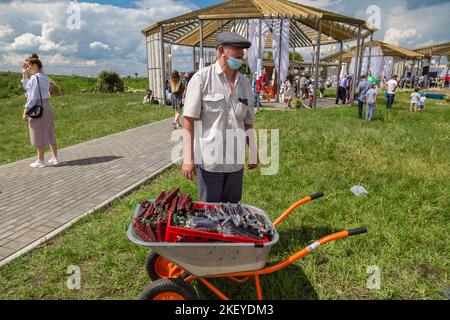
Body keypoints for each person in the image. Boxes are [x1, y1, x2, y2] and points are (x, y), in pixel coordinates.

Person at [182, 32, 258, 203]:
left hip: (235, 162)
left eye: (243, 50)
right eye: (237, 48)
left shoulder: (245, 83)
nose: (241, 53)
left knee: (232, 210)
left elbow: (248, 123)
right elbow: (188, 122)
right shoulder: (201, 79)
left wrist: (253, 150)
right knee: (210, 213)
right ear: (221, 50)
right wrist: (188, 159)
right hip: (210, 163)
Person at [21, 53, 58, 168]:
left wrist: (25, 112)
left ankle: (40, 160)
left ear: (35, 65)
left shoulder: (34, 78)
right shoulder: (44, 77)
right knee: (49, 131)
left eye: (28, 66)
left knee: (36, 132)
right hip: (46, 106)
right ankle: (54, 157)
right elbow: (29, 87)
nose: (28, 68)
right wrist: (24, 75)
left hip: (37, 107)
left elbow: (31, 97)